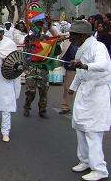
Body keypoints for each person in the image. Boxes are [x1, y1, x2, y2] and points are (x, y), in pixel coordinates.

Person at [67, 20, 110, 181]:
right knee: (80, 127)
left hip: (97, 92)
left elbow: (103, 64)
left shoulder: (98, 47)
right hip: (85, 91)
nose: (70, 37)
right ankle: (85, 160)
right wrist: (73, 86)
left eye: (72, 35)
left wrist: (84, 65)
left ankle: (100, 169)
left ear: (82, 35)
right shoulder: (81, 50)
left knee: (93, 131)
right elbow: (79, 71)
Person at [23, 18, 61, 118]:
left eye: (40, 25)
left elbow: (55, 51)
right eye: (36, 25)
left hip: (43, 68)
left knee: (43, 90)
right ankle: (27, 107)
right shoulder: (28, 38)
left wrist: (56, 43)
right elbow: (26, 52)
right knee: (30, 91)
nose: (38, 27)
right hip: (31, 67)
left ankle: (42, 110)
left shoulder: (46, 38)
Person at [59, 39, 78, 114]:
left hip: (85, 67)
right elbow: (56, 33)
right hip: (71, 67)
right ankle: (65, 106)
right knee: (68, 87)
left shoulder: (87, 41)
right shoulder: (68, 38)